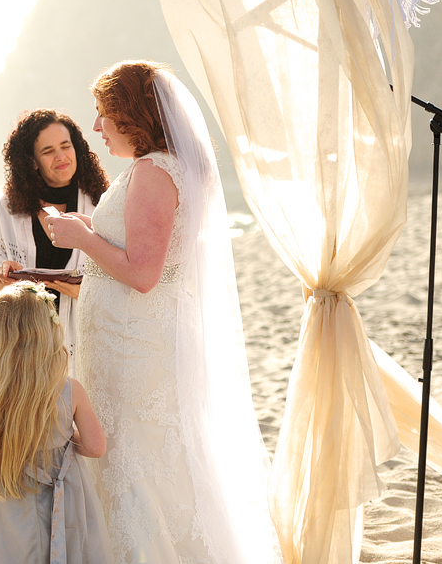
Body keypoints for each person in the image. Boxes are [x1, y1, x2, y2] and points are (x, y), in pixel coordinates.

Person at [48, 61, 282, 563]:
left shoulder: (155, 172)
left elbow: (143, 272)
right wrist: (90, 229)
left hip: (138, 351)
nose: (95, 127)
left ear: (130, 114)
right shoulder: (152, 169)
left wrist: (82, 238)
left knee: (139, 460)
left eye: (102, 113)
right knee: (132, 457)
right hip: (128, 340)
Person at [0, 281, 112, 564]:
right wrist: (65, 439)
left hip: (2, 499)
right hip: (58, 502)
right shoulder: (69, 390)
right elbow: (97, 447)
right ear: (48, 333)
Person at [0, 109, 108, 368]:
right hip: (22, 347)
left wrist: (86, 290)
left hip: (87, 348)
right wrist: (2, 276)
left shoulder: (102, 205)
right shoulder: (9, 207)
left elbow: (124, 276)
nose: (61, 156)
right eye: (48, 151)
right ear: (32, 161)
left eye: (66, 146)